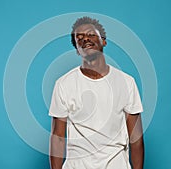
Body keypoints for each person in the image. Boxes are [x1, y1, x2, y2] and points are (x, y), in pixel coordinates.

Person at [49, 16, 144, 169]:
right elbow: (58, 138)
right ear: (77, 51)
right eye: (79, 38)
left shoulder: (127, 82)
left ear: (104, 41)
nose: (85, 39)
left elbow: (136, 138)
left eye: (91, 34)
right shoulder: (63, 84)